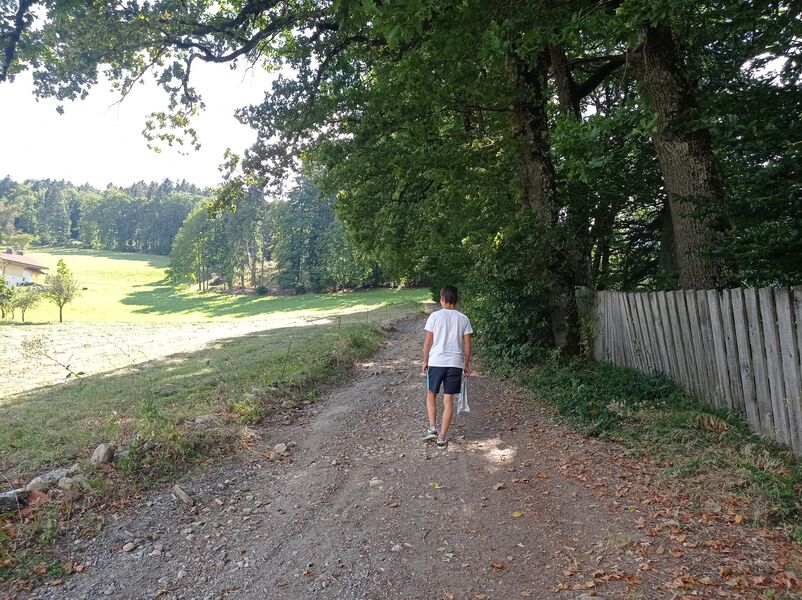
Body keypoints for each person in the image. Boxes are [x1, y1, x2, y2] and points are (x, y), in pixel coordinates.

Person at [421, 285, 473, 448]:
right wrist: (466, 364)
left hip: (436, 362)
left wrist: (425, 361)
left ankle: (432, 428)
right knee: (448, 399)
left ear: (442, 299)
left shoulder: (434, 316)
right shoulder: (463, 319)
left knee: (431, 393)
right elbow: (467, 346)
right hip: (455, 364)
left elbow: (428, 342)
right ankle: (442, 437)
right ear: (456, 300)